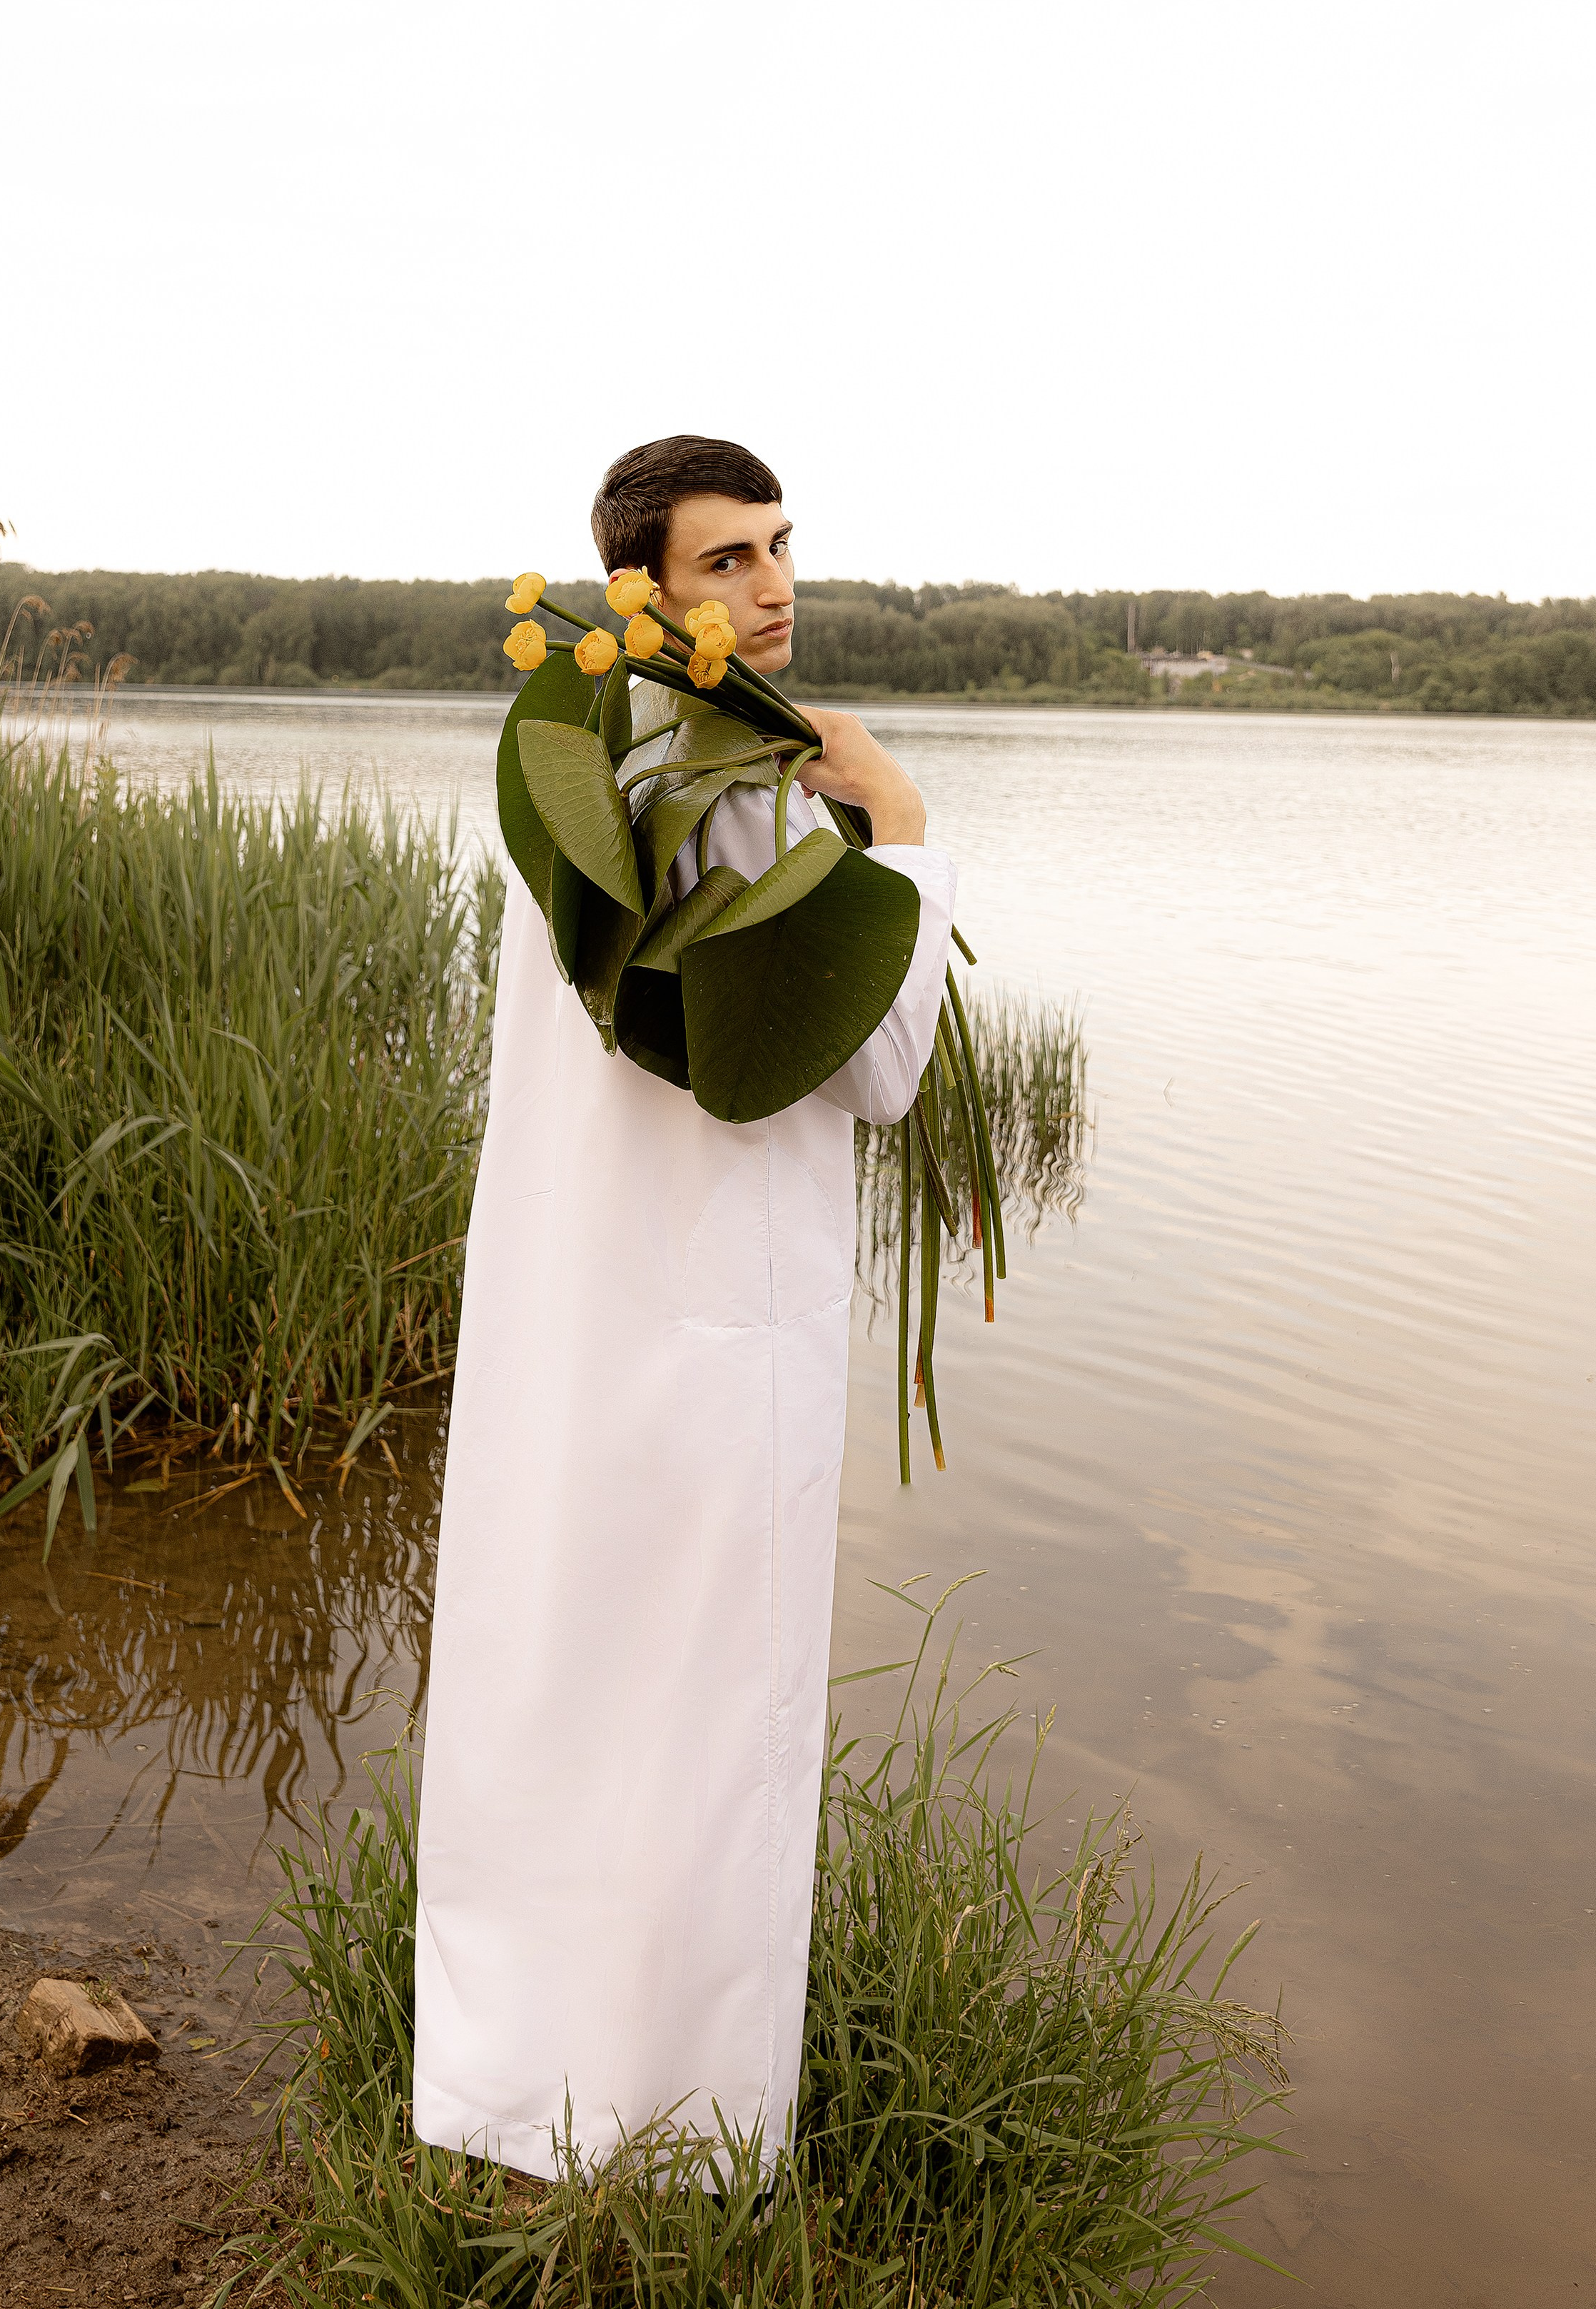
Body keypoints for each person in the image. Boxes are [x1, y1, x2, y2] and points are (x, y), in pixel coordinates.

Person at [412, 435, 957, 2175]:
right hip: (727, 1337)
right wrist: (904, 829)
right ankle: (693, 2133)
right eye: (727, 559)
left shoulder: (579, 755)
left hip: (585, 1319)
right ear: (640, 588)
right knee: (716, 1724)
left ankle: (521, 2092)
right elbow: (871, 1068)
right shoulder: (747, 788)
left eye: (783, 547)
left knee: (564, 1694)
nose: (774, 586)